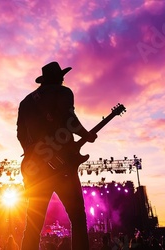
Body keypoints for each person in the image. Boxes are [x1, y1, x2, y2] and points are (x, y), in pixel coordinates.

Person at [17, 61, 97, 250]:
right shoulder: (64, 92)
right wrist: (86, 135)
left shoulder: (25, 102)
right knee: (78, 218)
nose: (63, 79)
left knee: (33, 224)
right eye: (61, 76)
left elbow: (20, 135)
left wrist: (36, 155)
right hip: (64, 168)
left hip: (37, 170)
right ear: (58, 77)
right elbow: (70, 120)